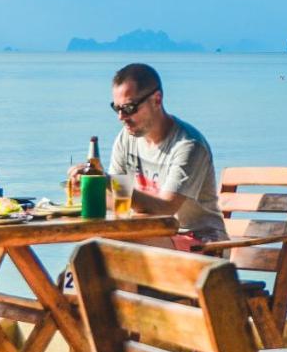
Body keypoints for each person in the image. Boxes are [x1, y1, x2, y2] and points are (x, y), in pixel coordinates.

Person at [69, 63, 226, 250]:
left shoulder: (188, 146)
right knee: (91, 247)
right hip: (150, 236)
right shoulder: (126, 138)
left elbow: (166, 208)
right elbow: (119, 202)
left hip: (201, 241)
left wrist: (107, 180)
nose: (121, 117)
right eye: (116, 108)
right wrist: (89, 188)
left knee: (115, 249)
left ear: (157, 100)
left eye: (128, 108)